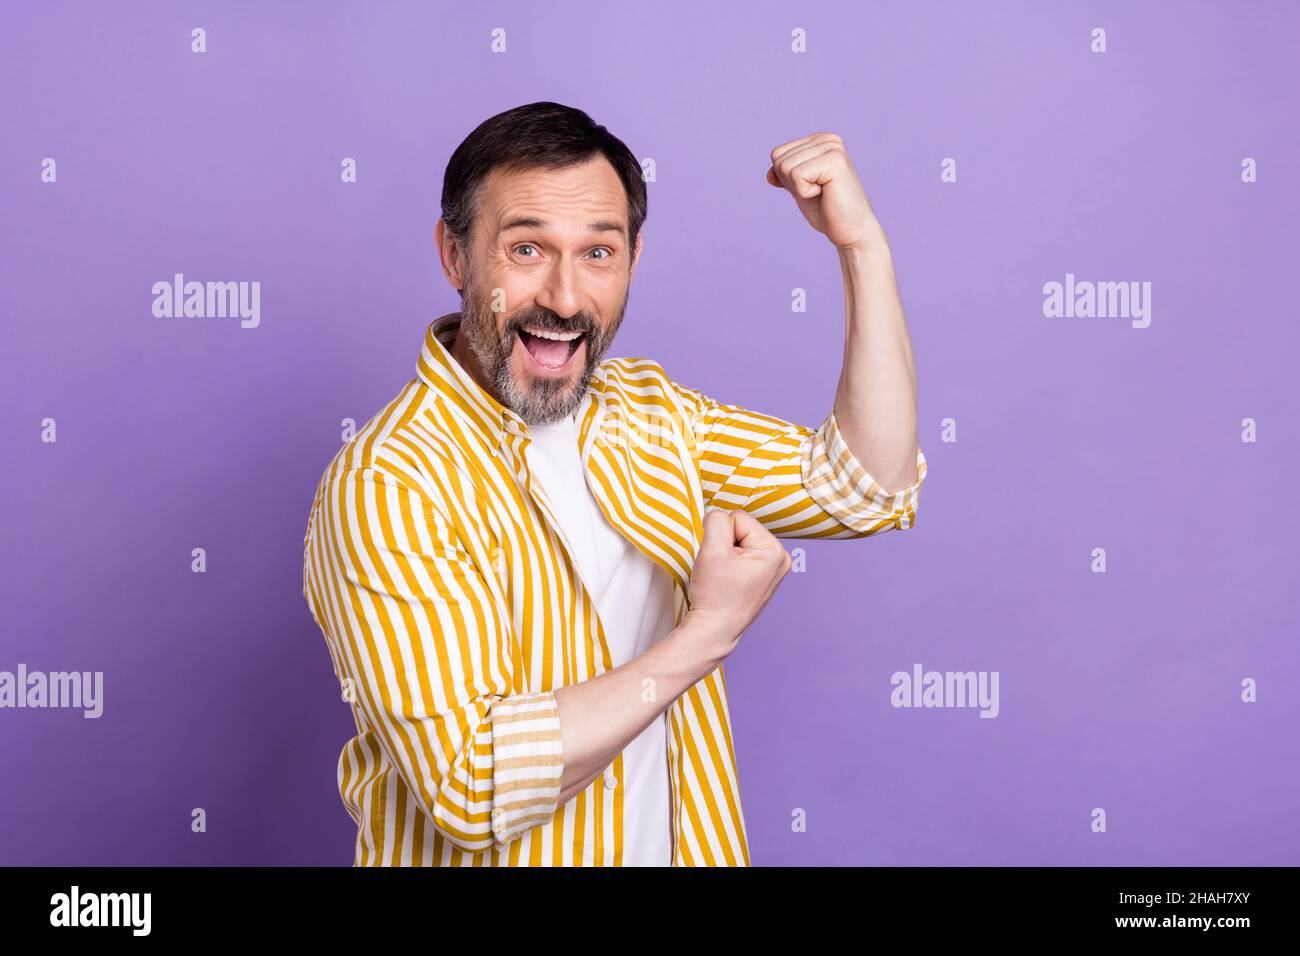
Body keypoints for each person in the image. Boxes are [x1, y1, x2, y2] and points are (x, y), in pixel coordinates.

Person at [301, 101, 927, 866]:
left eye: (598, 254)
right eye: (527, 249)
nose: (565, 299)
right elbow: (472, 786)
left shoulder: (650, 413)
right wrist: (708, 634)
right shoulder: (390, 482)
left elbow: (862, 485)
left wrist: (862, 247)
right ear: (455, 255)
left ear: (633, 258)